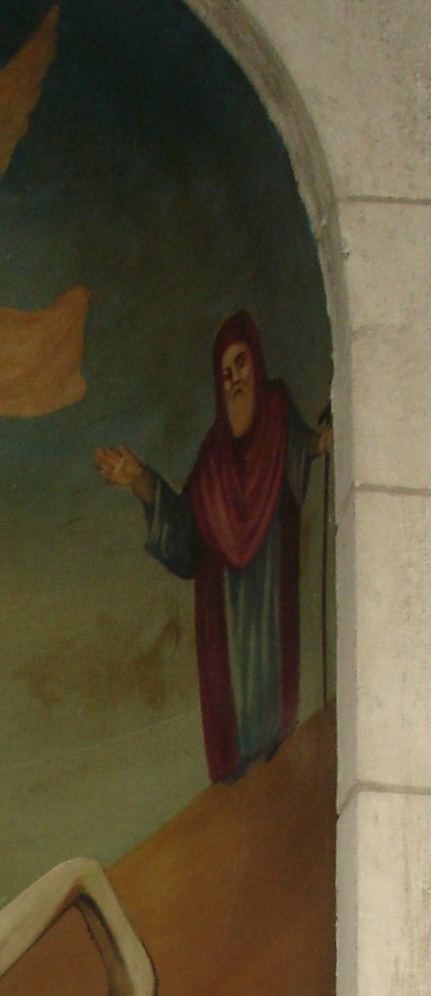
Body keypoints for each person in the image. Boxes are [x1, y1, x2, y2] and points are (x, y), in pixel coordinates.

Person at [95, 311, 332, 783]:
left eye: (240, 364)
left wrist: (322, 443)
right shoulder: (213, 455)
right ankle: (243, 774)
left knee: (270, 689)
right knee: (235, 693)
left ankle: (274, 761)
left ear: (256, 363)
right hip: (225, 604)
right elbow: (187, 532)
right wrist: (142, 482)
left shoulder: (278, 414)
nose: (235, 380)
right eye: (225, 373)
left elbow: (304, 445)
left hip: (269, 587)